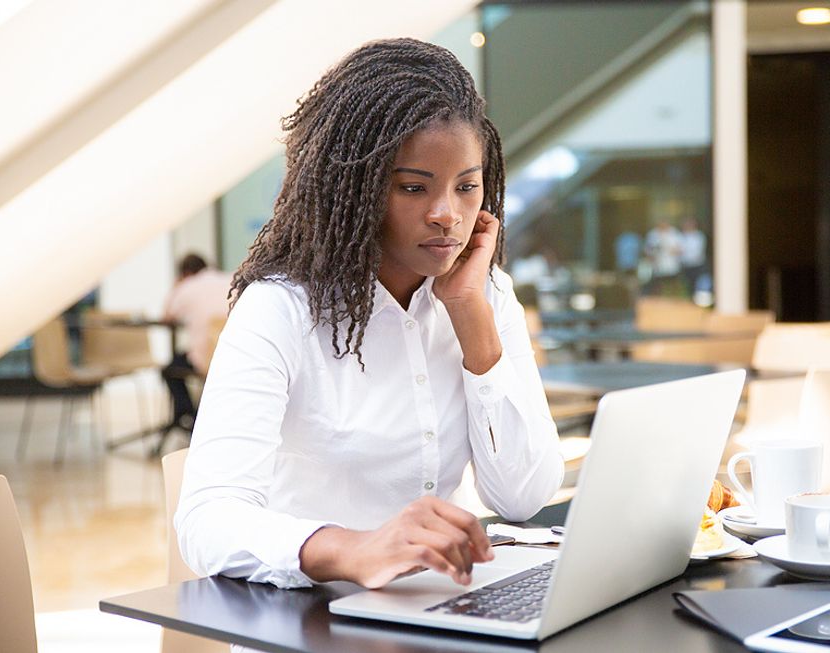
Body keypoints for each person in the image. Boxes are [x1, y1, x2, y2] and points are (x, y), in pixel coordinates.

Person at [174, 38, 563, 597]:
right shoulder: (281, 308)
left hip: (433, 610)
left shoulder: (486, 294)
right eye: (413, 187)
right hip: (306, 618)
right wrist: (353, 548)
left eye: (467, 187)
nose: (447, 215)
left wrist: (470, 316)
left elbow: (523, 496)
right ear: (352, 190)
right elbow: (206, 522)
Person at [161, 253, 232, 429]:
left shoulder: (188, 286)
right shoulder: (229, 280)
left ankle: (190, 418)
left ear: (185, 273)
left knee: (169, 370)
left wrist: (177, 287)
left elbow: (167, 317)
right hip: (233, 359)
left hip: (205, 360)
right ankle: (196, 419)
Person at [679, 217, 707, 296]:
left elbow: (696, 252)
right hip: (685, 265)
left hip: (697, 265)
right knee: (687, 285)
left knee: (698, 284)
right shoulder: (682, 236)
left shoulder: (699, 236)